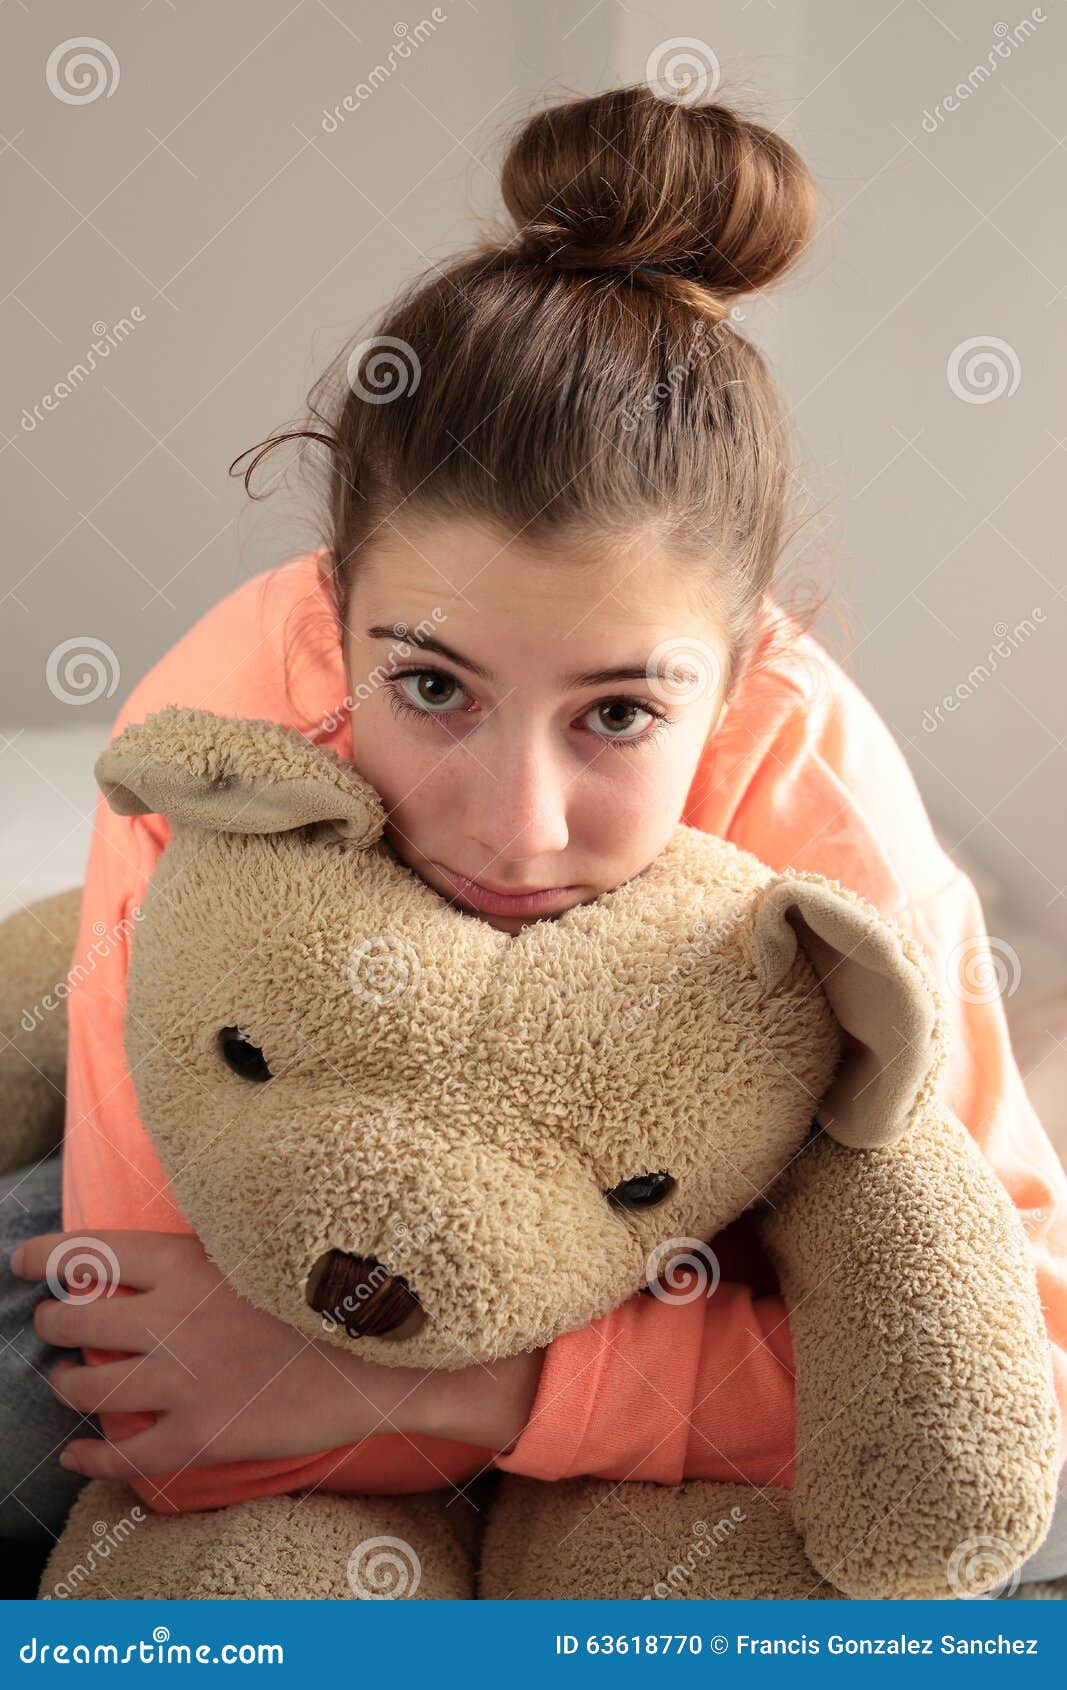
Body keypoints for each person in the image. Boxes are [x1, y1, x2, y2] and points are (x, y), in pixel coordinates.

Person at [4, 84, 1066, 1585]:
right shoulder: (221, 726)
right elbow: (175, 1346)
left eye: (619, 714)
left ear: (742, 677)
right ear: (337, 619)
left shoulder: (817, 795)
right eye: (431, 685)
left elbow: (1000, 1373)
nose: (517, 826)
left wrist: (455, 1388)